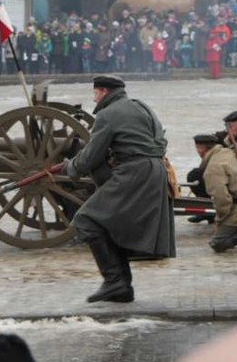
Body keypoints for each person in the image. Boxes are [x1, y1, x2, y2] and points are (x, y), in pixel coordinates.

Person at [64, 74, 175, 303]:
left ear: (105, 91)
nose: (94, 99)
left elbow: (90, 156)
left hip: (133, 174)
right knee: (110, 223)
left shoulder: (107, 115)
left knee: (86, 220)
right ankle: (121, 286)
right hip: (155, 171)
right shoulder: (142, 106)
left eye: (95, 93)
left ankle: (115, 282)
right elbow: (160, 140)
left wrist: (70, 167)